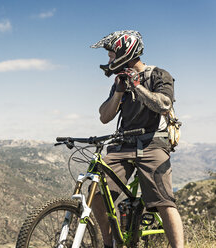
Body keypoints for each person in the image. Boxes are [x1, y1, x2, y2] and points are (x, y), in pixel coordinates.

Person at [90, 30, 184, 248]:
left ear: (125, 52)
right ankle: (108, 243)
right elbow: (104, 117)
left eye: (111, 54)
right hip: (123, 145)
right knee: (96, 193)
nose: (109, 59)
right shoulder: (119, 81)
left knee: (163, 202)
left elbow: (164, 104)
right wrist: (118, 93)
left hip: (152, 144)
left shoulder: (159, 75)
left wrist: (137, 87)